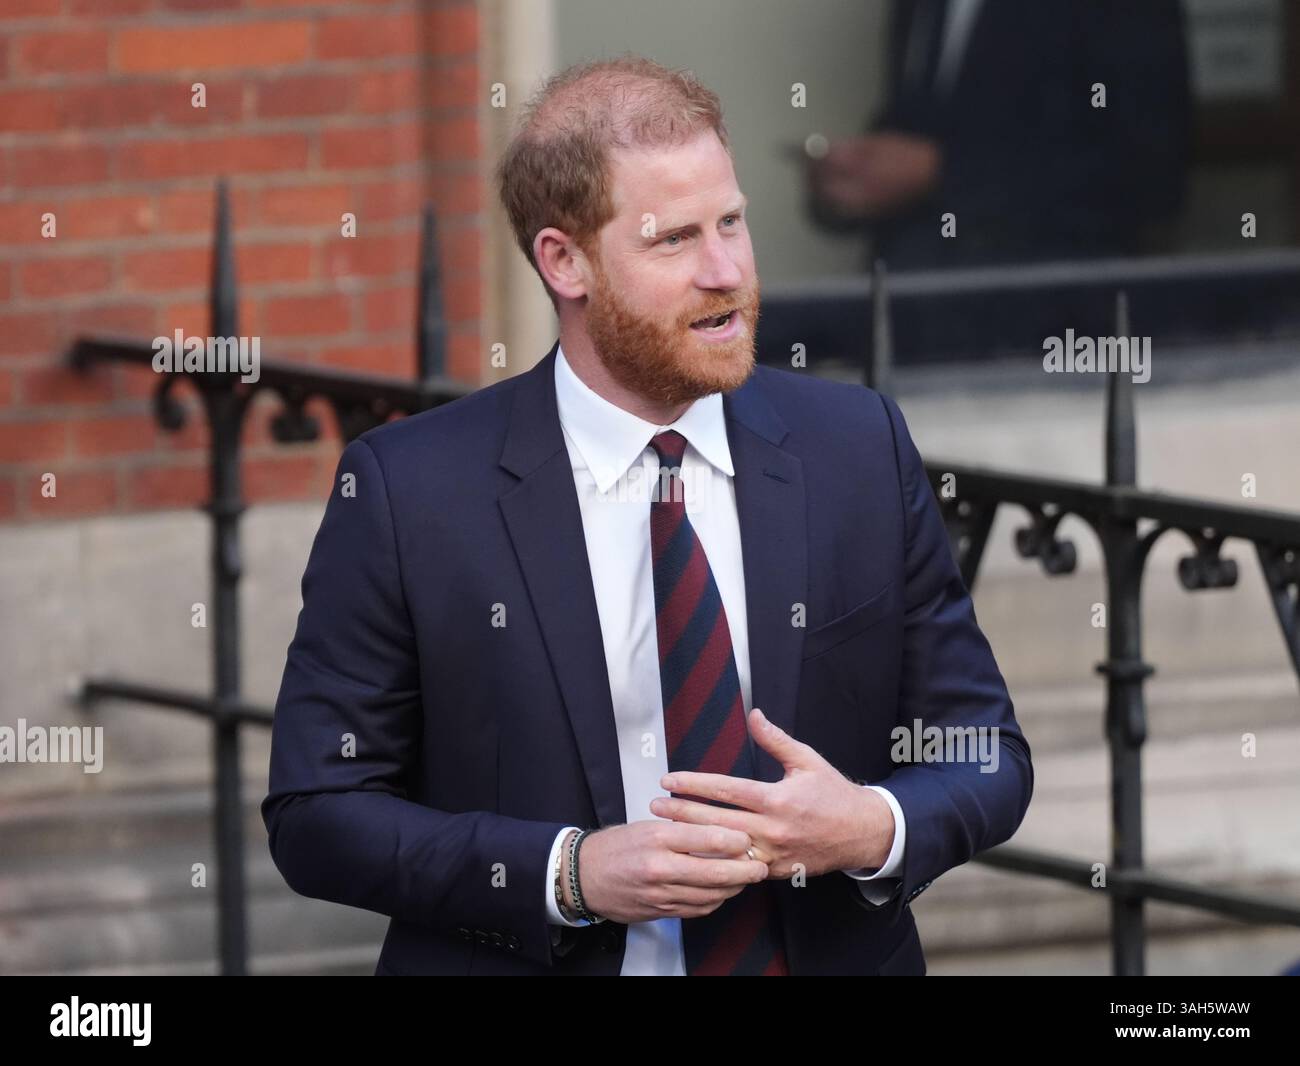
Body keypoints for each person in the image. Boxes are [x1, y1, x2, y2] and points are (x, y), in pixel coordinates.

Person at [262, 54, 1033, 976]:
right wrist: (567, 873)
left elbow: (985, 750)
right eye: (673, 240)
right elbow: (317, 809)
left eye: (733, 223)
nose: (726, 272)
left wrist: (871, 826)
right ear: (565, 261)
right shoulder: (409, 491)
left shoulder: (855, 447)